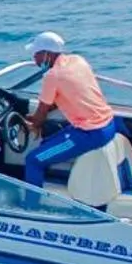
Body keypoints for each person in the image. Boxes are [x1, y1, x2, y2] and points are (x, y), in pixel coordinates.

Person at [20, 31, 118, 186]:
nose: (35, 59)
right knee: (46, 143)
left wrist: (33, 123)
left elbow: (41, 114)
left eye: (36, 54)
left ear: (47, 54)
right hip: (109, 125)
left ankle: (32, 200)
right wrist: (38, 117)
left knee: (33, 160)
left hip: (91, 133)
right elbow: (60, 99)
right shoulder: (78, 60)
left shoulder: (52, 76)